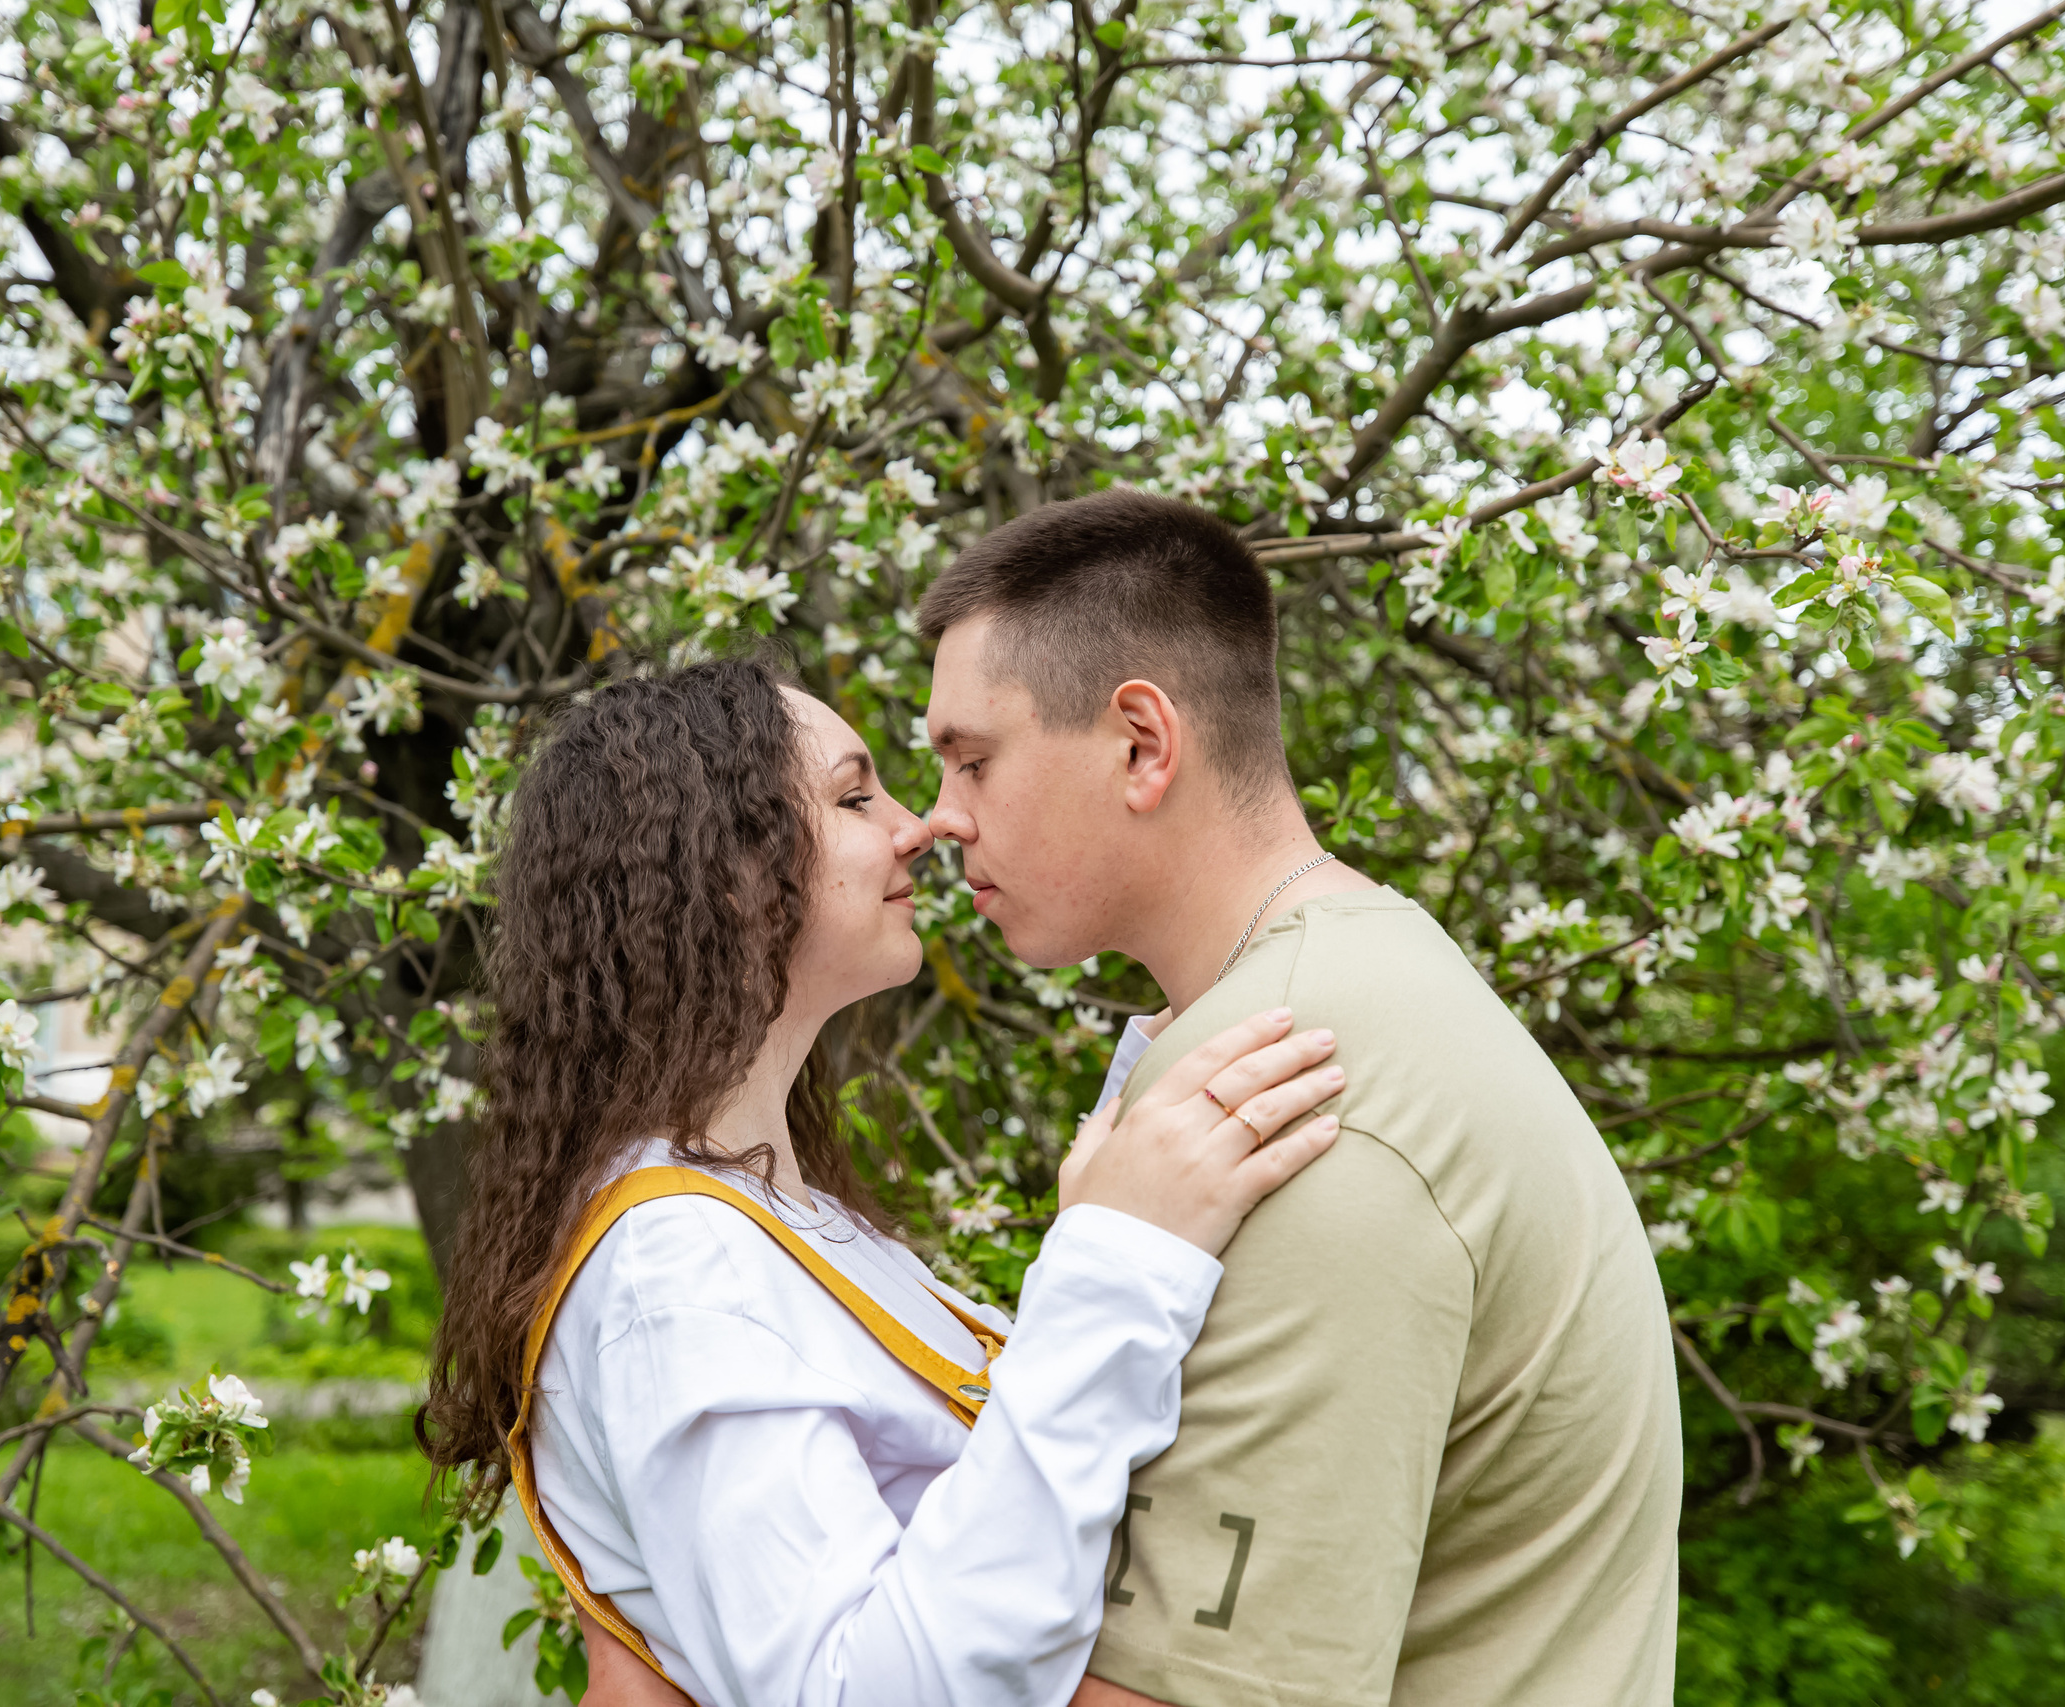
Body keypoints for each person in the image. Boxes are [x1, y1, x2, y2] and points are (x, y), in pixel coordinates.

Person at [421, 654, 1353, 1707]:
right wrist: (1115, 1264)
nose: (917, 826)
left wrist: (1149, 1115)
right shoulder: (677, 1268)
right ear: (721, 867)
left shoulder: (770, 1215)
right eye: (855, 796)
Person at [917, 487, 1682, 1707]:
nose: (937, 818)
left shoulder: (1298, 1090)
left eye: (971, 758)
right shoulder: (1356, 993)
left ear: (1140, 743)